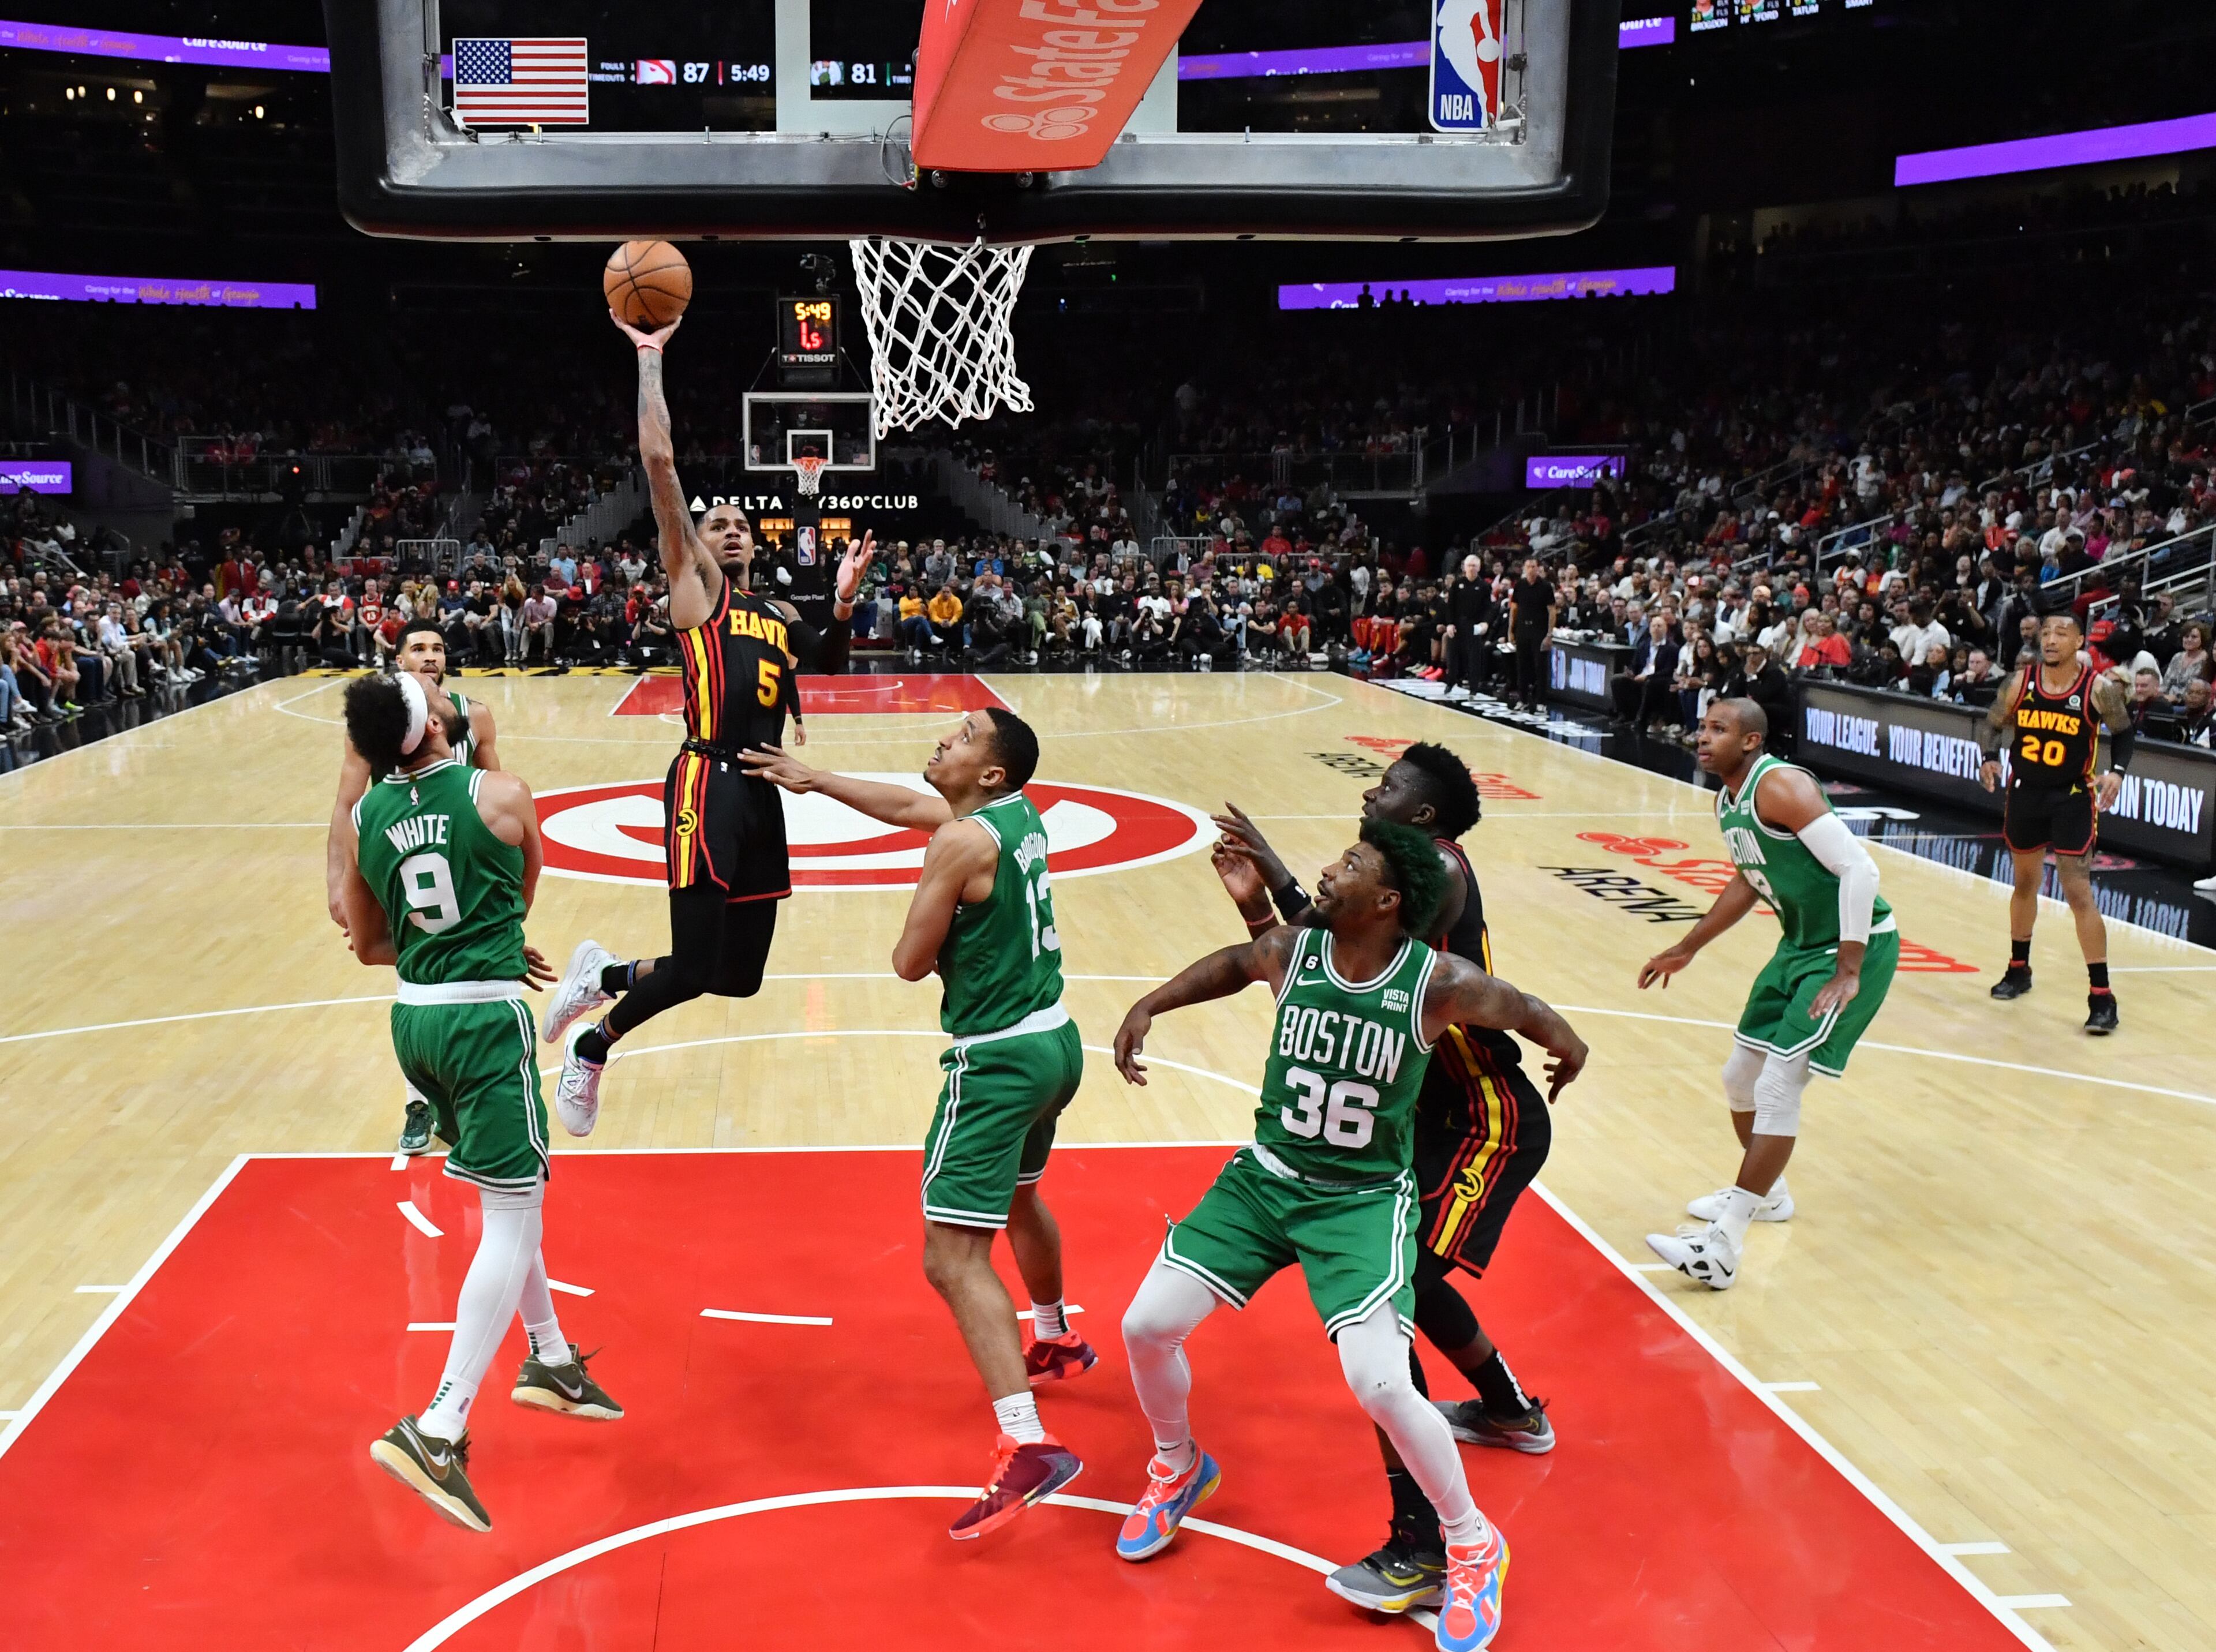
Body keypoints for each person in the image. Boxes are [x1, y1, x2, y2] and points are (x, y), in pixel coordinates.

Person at [1108, 819, 1585, 1652]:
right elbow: (1236, 961)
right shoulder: (1296, 951)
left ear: (1388, 901)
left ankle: (1471, 1543)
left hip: (1361, 1202)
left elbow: (1524, 1007)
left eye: (1351, 864)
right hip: (1265, 1180)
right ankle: (1178, 1464)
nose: (1328, 870)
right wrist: (1149, 1004)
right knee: (1144, 1325)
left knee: (1383, 1385)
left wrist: (1568, 1044)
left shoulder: (1435, 984)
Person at [1210, 746, 1559, 1618]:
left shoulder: (1436, 870)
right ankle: (1510, 1411)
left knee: (1390, 1300)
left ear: (1426, 820)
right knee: (1406, 1282)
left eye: (1392, 787)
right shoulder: (1414, 864)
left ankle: (1424, 1543)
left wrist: (1276, 883)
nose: (1374, 792)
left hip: (1482, 1111)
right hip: (1424, 1110)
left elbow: (1345, 943)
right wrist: (1273, 885)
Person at [741, 710, 1092, 1539]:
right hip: (1055, 1039)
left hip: (997, 1062)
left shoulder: (961, 845)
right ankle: (1055, 1336)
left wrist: (933, 918)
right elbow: (910, 808)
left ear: (992, 771)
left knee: (950, 1255)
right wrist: (817, 777)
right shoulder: (1014, 817)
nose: (947, 736)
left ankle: (1028, 1440)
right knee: (1019, 1198)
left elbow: (907, 961)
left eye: (965, 734)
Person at [536, 309, 871, 1134]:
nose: (728, 528)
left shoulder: (775, 608)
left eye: (739, 523)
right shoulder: (698, 589)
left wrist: (843, 600)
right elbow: (659, 460)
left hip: (761, 790)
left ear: (756, 541)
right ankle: (591, 1048)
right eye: (715, 522)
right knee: (693, 960)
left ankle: (606, 970)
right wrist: (650, 357)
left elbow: (825, 660)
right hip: (707, 775)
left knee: (737, 975)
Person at [336, 674, 616, 1534]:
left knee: (510, 1197)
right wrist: (485, 936)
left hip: (416, 1024)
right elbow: (525, 878)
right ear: (433, 723)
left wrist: (451, 939)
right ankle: (441, 1424)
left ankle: (555, 1358)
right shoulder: (500, 792)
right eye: (436, 688)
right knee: (515, 1214)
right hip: (484, 1020)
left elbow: (370, 942)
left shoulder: (365, 817)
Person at [1636, 699, 1899, 1290]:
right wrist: (1689, 945)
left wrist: (1850, 969)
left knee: (1780, 1082)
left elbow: (1862, 872)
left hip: (1850, 952)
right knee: (1739, 1075)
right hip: (1798, 948)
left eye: (1718, 730)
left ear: (1752, 741)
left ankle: (1725, 1243)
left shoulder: (1780, 786)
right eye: (1703, 727)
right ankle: (1770, 1194)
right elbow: (1746, 880)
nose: (1703, 738)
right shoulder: (1728, 801)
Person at [326, 620, 502, 1155]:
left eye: (438, 648)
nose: (430, 656)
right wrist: (338, 879)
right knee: (414, 971)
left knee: (466, 972)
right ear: (398, 660)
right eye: (418, 648)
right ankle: (420, 1101)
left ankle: (468, 1092)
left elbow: (497, 781)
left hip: (459, 855)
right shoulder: (377, 722)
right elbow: (346, 803)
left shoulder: (474, 716)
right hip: (399, 851)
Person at [1979, 609, 2131, 1033]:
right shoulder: (2019, 683)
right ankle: (2018, 968)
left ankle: (2102, 997)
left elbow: (2124, 730)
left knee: (2078, 892)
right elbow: (1992, 723)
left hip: (2073, 797)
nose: (2050, 639)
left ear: (2079, 641)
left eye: (2061, 633)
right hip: (2025, 792)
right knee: (2025, 883)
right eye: (2046, 632)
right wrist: (1989, 758)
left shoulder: (2097, 688)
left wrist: (2117, 771)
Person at [1507, 557, 1554, 709]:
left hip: (1539, 630)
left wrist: (1549, 634)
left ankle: (1541, 701)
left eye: (1533, 566)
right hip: (1522, 629)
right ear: (1524, 569)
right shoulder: (1520, 585)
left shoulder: (1546, 586)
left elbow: (1552, 611)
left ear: (1538, 568)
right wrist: (1511, 630)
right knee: (1522, 665)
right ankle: (1522, 699)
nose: (1531, 569)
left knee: (1540, 667)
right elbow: (1514, 609)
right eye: (1528, 566)